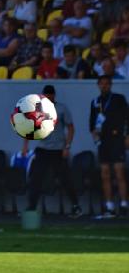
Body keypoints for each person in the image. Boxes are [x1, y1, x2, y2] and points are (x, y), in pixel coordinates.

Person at [22, 85, 81, 218]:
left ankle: (76, 206)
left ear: (54, 96)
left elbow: (71, 128)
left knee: (65, 179)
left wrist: (67, 147)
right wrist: (25, 145)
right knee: (35, 178)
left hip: (58, 150)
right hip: (42, 149)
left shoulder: (62, 109)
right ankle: (31, 207)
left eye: (50, 96)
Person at [89, 74, 129, 218]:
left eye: (107, 83)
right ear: (98, 85)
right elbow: (92, 123)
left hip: (117, 140)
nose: (104, 86)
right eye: (102, 83)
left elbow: (127, 118)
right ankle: (109, 206)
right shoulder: (95, 102)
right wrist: (94, 134)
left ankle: (124, 205)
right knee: (105, 174)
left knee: (119, 173)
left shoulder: (119, 99)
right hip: (103, 142)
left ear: (111, 85)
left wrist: (127, 136)